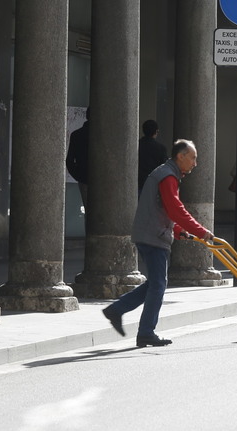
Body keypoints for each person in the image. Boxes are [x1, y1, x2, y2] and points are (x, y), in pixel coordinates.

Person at [102, 139, 213, 347]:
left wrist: (180, 232)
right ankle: (145, 331)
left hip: (152, 233)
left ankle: (116, 310)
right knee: (159, 285)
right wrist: (200, 231)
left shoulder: (166, 174)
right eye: (193, 158)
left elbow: (163, 209)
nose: (195, 163)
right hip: (153, 236)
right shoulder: (167, 176)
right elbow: (175, 209)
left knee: (155, 283)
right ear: (180, 156)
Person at [65, 108, 90, 208]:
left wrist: (79, 175)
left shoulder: (77, 135)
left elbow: (69, 161)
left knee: (89, 211)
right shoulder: (106, 137)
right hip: (103, 179)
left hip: (84, 178)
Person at [138, 119, 169, 194]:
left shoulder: (137, 145)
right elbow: (164, 167)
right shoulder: (161, 148)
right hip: (153, 184)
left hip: (137, 182)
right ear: (156, 131)